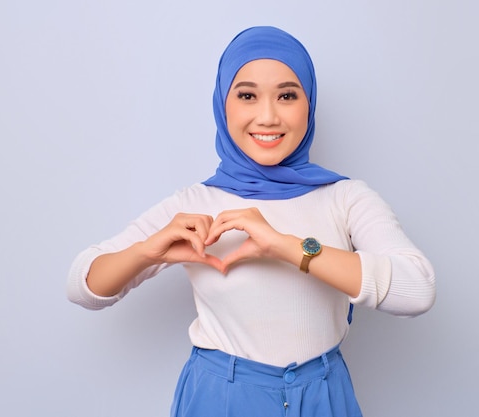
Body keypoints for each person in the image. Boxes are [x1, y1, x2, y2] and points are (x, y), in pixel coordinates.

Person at [67, 26, 436, 417]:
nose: (268, 116)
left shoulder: (345, 197)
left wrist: (287, 246)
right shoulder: (195, 204)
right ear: (223, 105)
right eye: (247, 95)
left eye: (287, 95)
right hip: (219, 398)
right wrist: (145, 251)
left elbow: (417, 290)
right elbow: (82, 284)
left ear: (308, 105)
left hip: (324, 397)